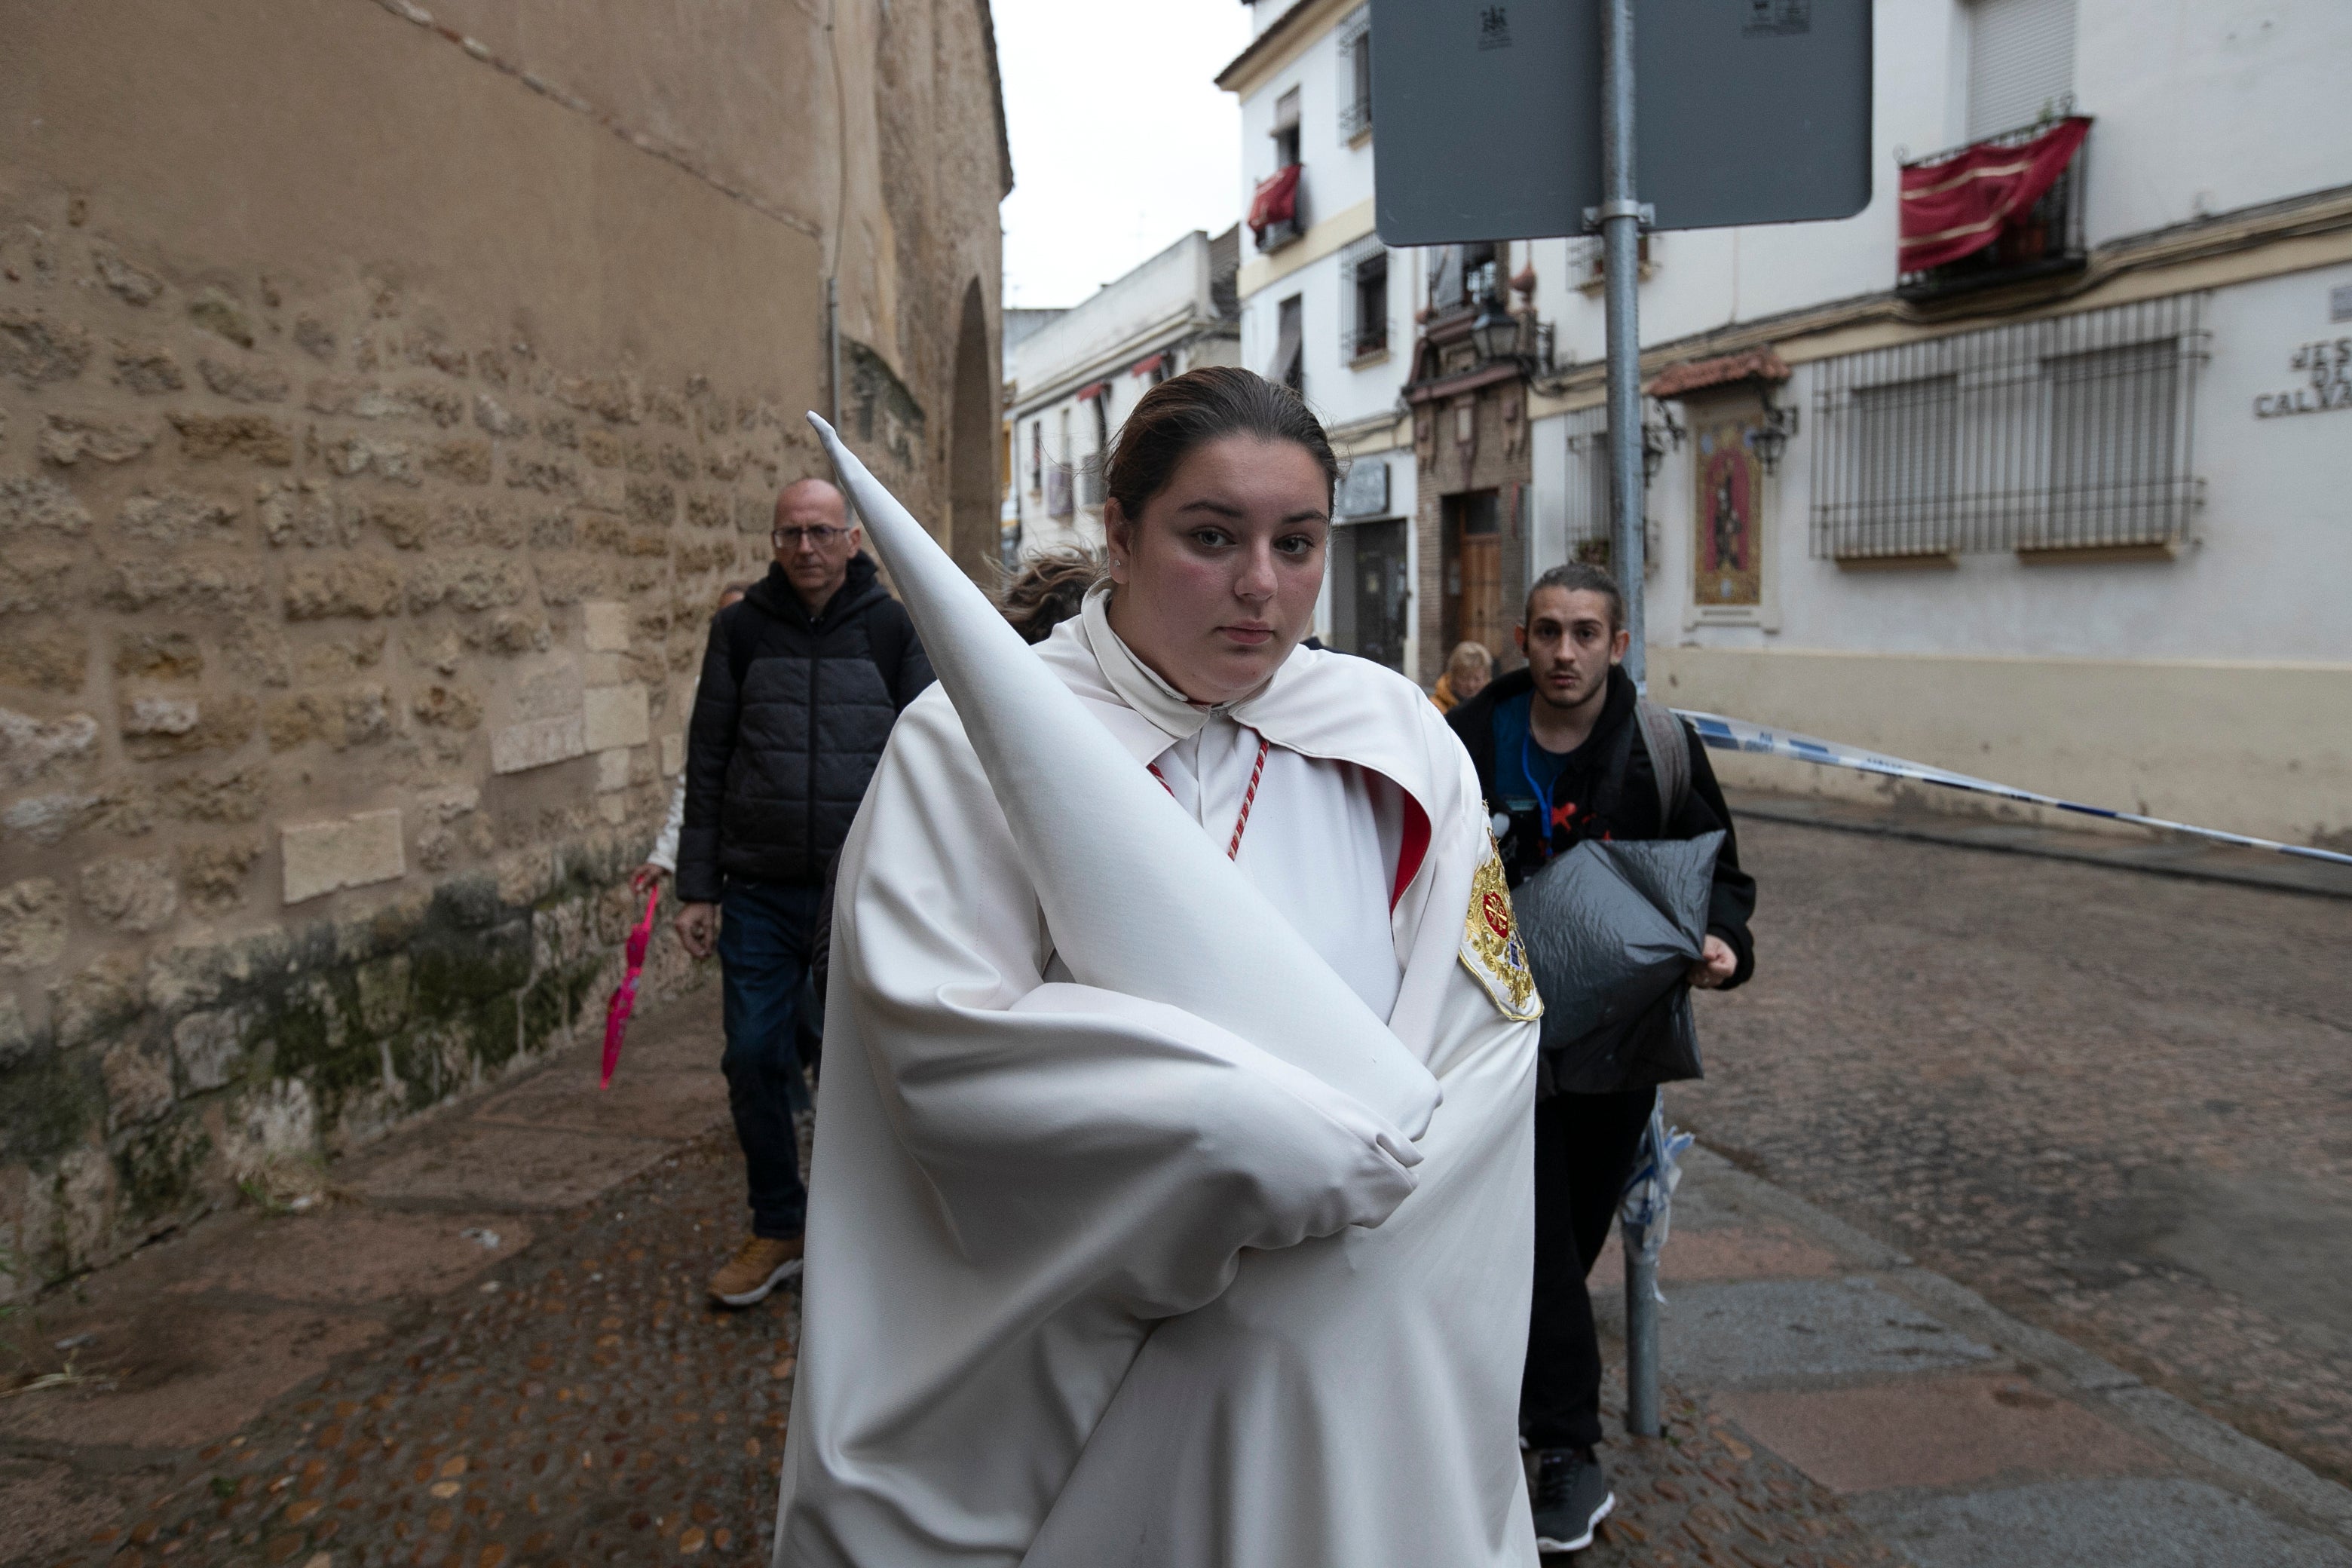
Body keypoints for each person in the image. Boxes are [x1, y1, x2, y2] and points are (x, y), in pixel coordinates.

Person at [777, 368, 1545, 1566]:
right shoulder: (965, 749)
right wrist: (1234, 1136)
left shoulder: (1399, 740)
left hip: (1348, 1350)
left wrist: (1365, 1214)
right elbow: (946, 1048)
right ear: (1123, 536)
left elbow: (1490, 1024)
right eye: (1212, 537)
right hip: (1079, 1382)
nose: (1261, 586)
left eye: (1297, 544)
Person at [1447, 562, 1757, 1554]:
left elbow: (1721, 872)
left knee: (1565, 1241)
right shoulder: (1466, 741)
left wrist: (1724, 943)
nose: (1565, 651)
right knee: (1534, 1232)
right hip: (1497, 1032)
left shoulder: (1660, 748)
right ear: (1523, 638)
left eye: (1585, 633)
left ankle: (1508, 1396)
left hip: (1619, 1044)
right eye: (1548, 631)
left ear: (1616, 644)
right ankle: (1565, 1445)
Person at [674, 478, 933, 1308]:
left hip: (859, 892)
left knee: (869, 1069)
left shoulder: (892, 629)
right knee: (754, 1056)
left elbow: (931, 757)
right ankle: (779, 1222)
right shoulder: (740, 631)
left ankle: (874, 1230)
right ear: (774, 542)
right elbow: (709, 759)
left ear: (853, 539)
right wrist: (696, 888)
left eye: (821, 532)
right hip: (758, 889)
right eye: (790, 533)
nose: (806, 548)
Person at [635, 582, 754, 893]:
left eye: (740, 618)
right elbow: (696, 775)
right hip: (733, 860)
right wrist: (665, 854)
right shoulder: (708, 688)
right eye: (721, 620)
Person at [1432, 639, 1494, 712]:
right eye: (1464, 679)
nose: (1471, 686)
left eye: (1477, 679)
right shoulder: (1434, 708)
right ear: (1452, 677)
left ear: (1486, 679)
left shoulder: (1494, 708)